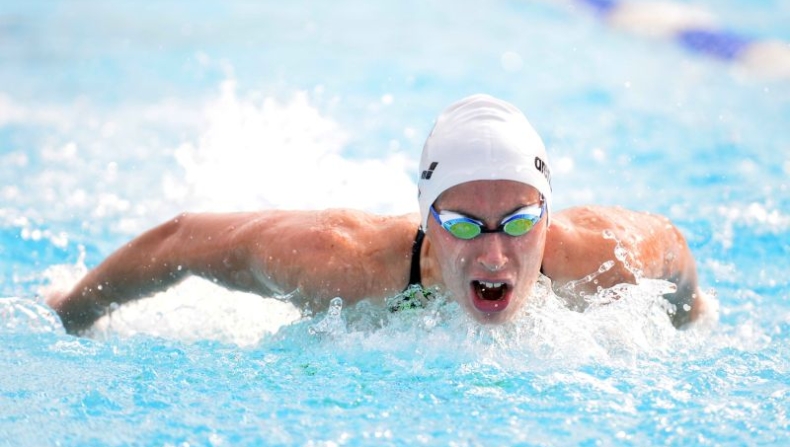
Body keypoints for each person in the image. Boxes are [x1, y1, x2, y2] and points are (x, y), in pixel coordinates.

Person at [46, 94, 705, 334]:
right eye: (465, 225)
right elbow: (183, 238)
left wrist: (688, 315)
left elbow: (673, 248)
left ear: (545, 213)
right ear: (426, 221)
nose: (495, 254)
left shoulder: (601, 254)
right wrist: (74, 310)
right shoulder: (340, 263)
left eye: (519, 221)